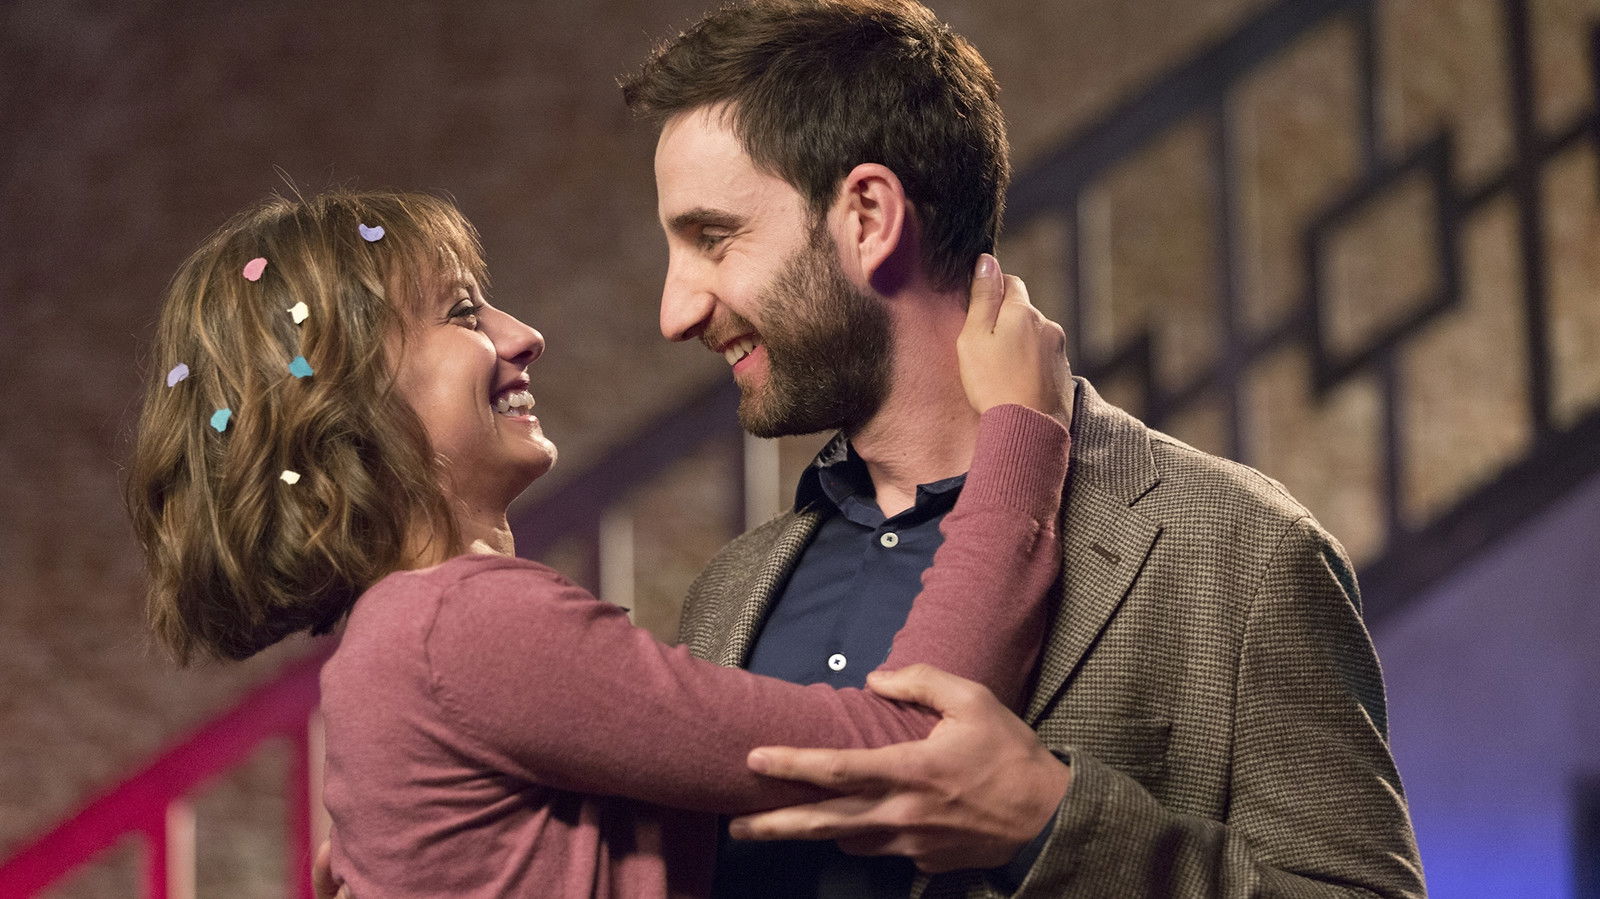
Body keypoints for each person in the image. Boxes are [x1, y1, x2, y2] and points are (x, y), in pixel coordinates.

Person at [617, 1, 1428, 896]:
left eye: (713, 237)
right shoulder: (731, 591)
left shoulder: (1243, 551)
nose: (675, 312)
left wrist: (1048, 823)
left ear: (869, 216)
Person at [124, 189, 1076, 897]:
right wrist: (1021, 433)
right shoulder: (457, 625)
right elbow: (910, 755)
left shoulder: (403, 640)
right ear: (351, 410)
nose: (525, 334)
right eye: (461, 311)